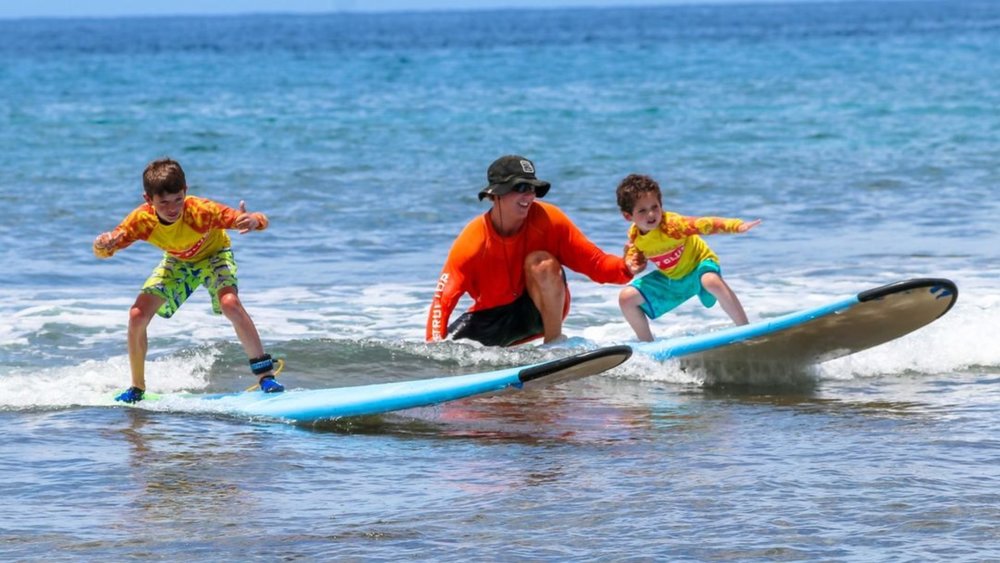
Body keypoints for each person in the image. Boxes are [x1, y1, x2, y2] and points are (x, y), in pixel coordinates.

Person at [93, 157, 284, 403]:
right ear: (148, 200)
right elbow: (107, 248)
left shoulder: (201, 211)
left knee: (230, 303)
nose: (173, 209)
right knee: (136, 315)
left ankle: (266, 376)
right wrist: (102, 244)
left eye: (178, 200)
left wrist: (255, 221)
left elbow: (257, 219)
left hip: (215, 255)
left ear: (186, 191)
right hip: (178, 262)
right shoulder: (142, 220)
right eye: (163, 203)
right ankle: (137, 388)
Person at [427, 155, 639, 347]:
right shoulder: (473, 241)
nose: (529, 196)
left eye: (532, 188)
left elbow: (595, 264)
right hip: (492, 319)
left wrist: (625, 267)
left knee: (540, 261)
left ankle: (555, 344)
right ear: (496, 194)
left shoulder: (549, 220)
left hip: (538, 312)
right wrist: (433, 350)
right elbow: (442, 300)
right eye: (520, 188)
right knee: (449, 351)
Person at [615, 173, 761, 342]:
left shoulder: (673, 225)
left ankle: (746, 331)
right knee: (626, 298)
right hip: (673, 278)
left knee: (710, 280)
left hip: (699, 265)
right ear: (628, 216)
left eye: (655, 207)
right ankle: (649, 347)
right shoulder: (635, 236)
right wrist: (633, 265)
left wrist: (736, 226)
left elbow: (705, 224)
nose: (651, 214)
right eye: (642, 210)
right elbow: (636, 256)